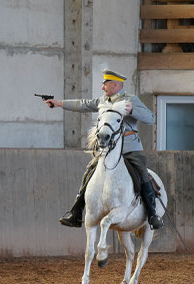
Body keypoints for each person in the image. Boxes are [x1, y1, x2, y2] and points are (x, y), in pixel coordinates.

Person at [45, 69, 164, 230]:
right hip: (107, 149)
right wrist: (59, 103)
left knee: (143, 174)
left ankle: (152, 214)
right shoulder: (102, 101)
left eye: (105, 84)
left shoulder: (131, 100)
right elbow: (83, 104)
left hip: (129, 148)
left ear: (116, 85)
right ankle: (76, 211)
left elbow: (150, 118)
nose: (102, 87)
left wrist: (132, 110)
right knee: (89, 171)